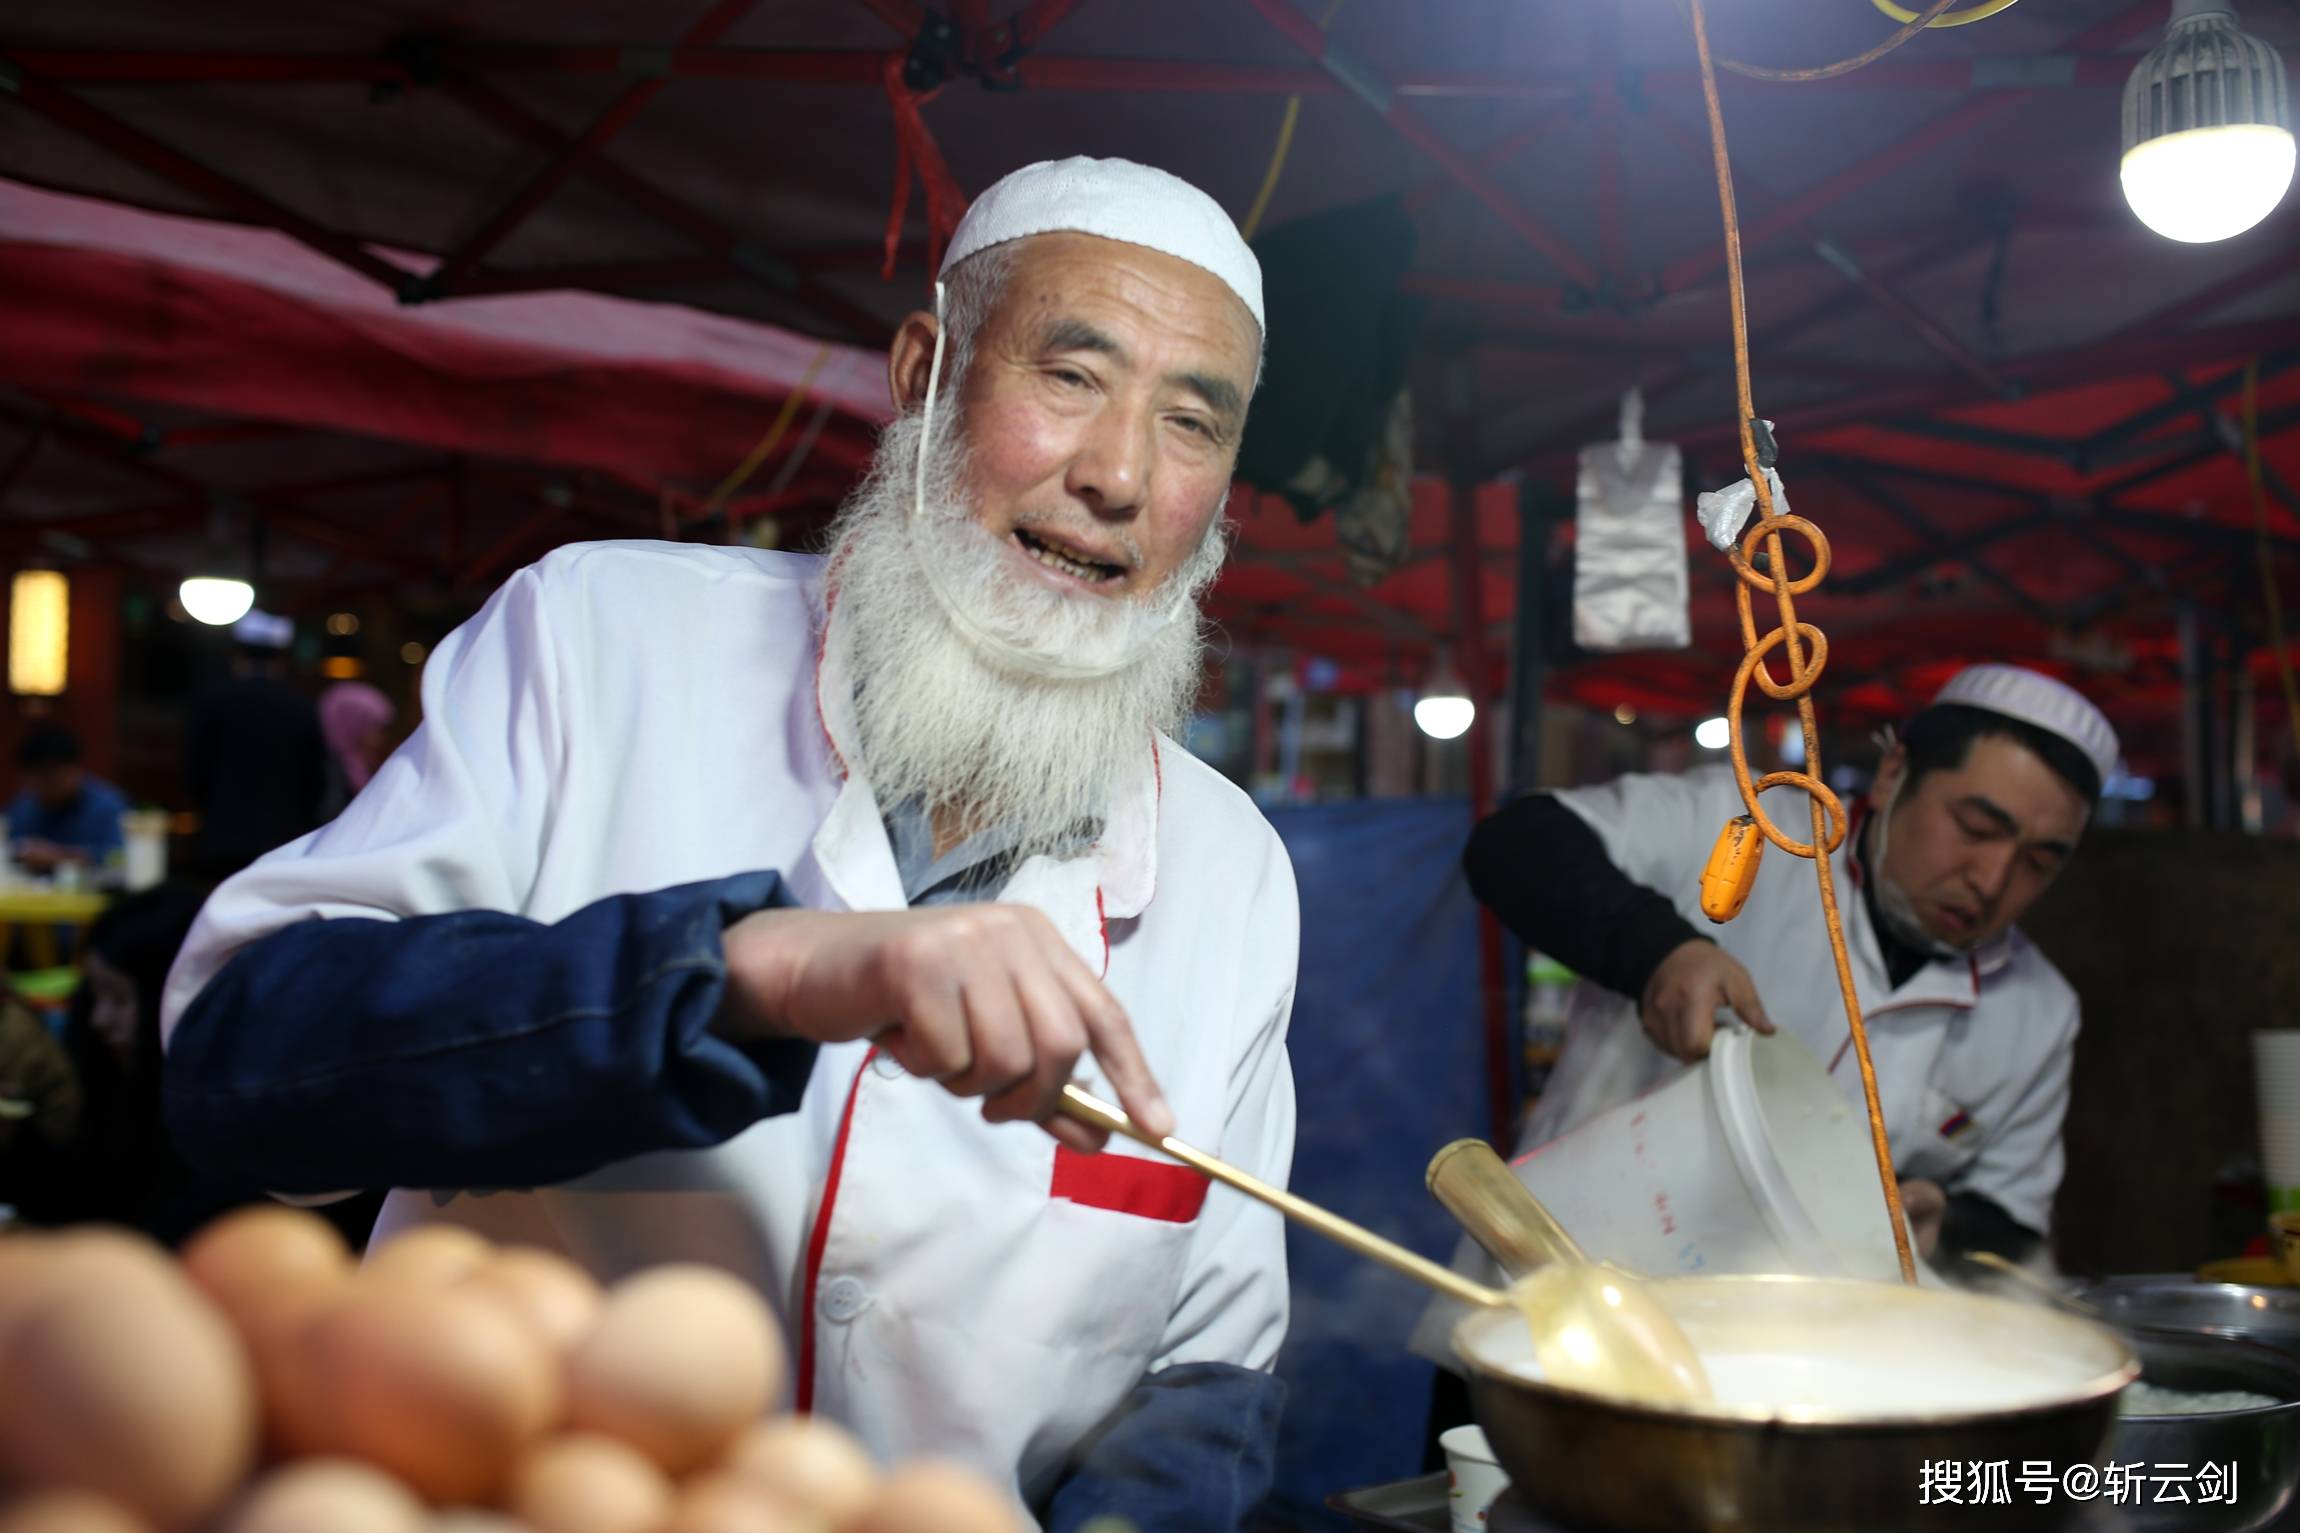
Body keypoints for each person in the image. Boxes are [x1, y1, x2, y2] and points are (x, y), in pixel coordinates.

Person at [161, 157, 1295, 1528]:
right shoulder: (600, 639)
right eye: (1070, 377)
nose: (1118, 474)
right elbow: (243, 1057)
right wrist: (739, 971)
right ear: (926, 371)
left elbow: (1205, 1373)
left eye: (1193, 422)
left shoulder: (1231, 868)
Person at [1474, 664, 2116, 1263]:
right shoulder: (1750, 829)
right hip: (1552, 1282)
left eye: (2038, 862)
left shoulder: (2038, 1011)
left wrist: (1945, 1221)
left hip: (1781, 1354)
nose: (1993, 879)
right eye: (1975, 827)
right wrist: (1657, 950)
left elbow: (2012, 1221)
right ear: (1894, 775)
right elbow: (1516, 844)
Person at [184, 612, 330, 880]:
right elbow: (315, 778)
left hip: (222, 838)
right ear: (282, 660)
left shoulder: (215, 701)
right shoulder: (300, 707)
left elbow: (196, 771)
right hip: (285, 841)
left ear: (238, 656)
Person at [6, 724, 129, 876]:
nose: (45, 788)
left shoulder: (106, 805)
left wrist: (59, 856)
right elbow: (9, 849)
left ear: (76, 770)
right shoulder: (25, 806)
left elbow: (120, 858)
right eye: (35, 780)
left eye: (52, 778)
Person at [317, 681, 397, 820]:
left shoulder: (360, 767)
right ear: (351, 723)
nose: (379, 739)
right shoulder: (327, 773)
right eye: (373, 726)